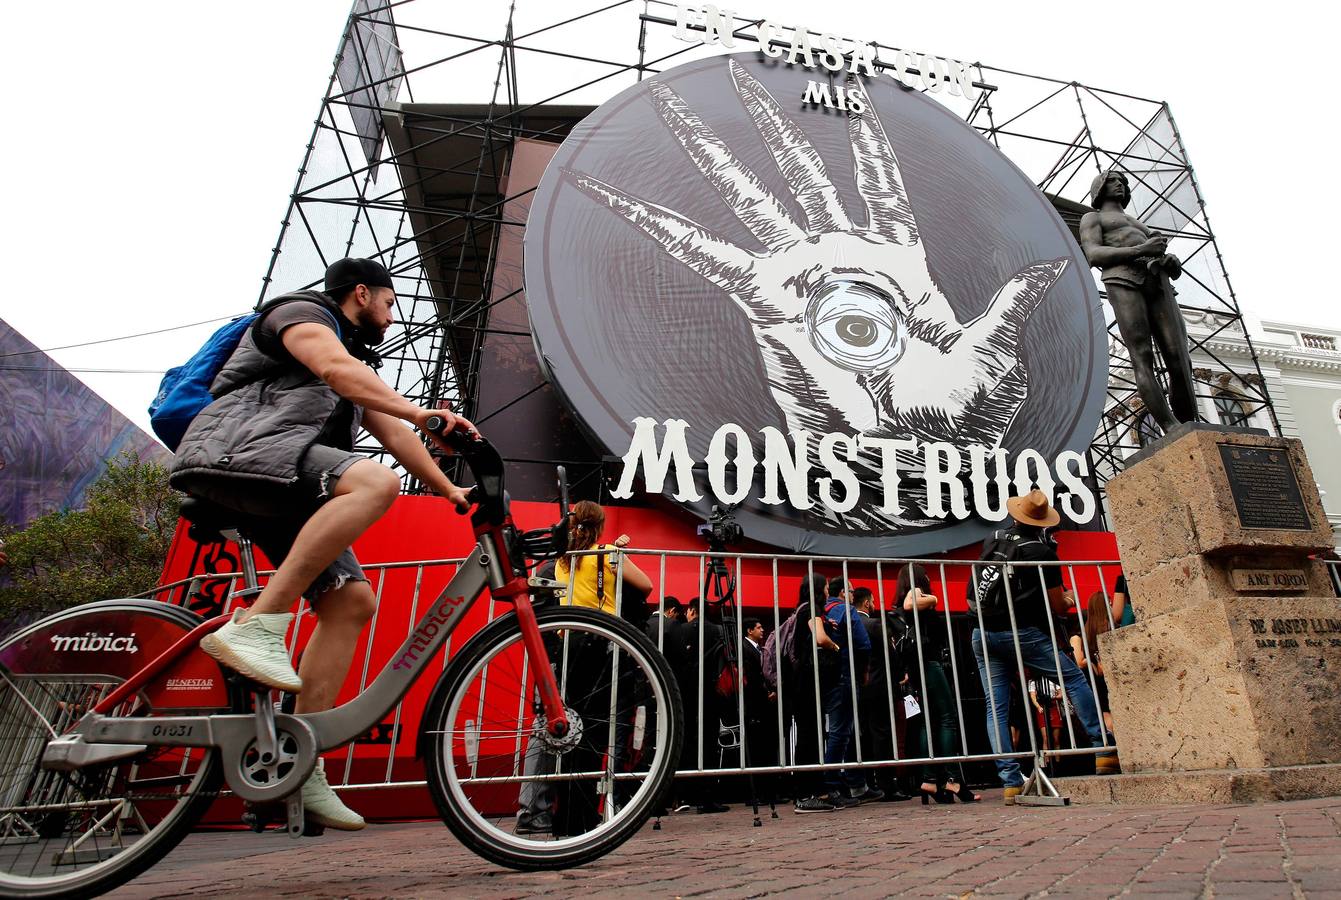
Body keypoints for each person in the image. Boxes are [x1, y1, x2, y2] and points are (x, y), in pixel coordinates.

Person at [170, 257, 475, 830]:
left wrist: (449, 491)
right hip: (237, 454)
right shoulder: (300, 315)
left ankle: (298, 764)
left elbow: (393, 431)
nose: (391, 315)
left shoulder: (356, 360)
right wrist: (419, 409)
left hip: (278, 474)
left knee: (351, 602)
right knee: (374, 481)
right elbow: (333, 368)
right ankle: (256, 626)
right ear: (361, 293)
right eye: (388, 303)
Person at [968, 489, 1116, 803]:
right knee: (1073, 678)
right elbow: (1057, 605)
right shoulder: (1042, 551)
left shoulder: (994, 538)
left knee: (996, 708)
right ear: (1043, 523)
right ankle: (1103, 748)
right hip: (1020, 630)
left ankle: (1010, 780)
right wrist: (1070, 598)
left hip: (982, 630)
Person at [551, 500, 654, 834]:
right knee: (594, 731)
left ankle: (563, 816)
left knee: (569, 730)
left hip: (568, 642)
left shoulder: (562, 561)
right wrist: (619, 553)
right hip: (598, 639)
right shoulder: (606, 554)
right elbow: (647, 584)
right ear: (598, 526)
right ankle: (583, 816)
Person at [1079, 169, 1197, 431]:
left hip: (1158, 282)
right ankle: (1169, 425)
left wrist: (1170, 261)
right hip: (1124, 281)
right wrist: (1142, 250)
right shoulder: (1093, 218)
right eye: (1112, 180)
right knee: (1142, 355)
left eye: (1123, 181)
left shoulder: (1137, 222)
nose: (1119, 184)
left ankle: (1191, 426)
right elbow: (1094, 254)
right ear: (1099, 188)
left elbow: (1157, 255)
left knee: (1179, 358)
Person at [899, 564, 979, 804]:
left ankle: (930, 779)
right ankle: (952, 779)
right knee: (947, 718)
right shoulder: (917, 593)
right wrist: (933, 597)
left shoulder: (910, 598)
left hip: (918, 666)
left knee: (927, 722)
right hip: (928, 663)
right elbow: (909, 604)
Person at [821, 577, 878, 806]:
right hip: (845, 674)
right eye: (852, 591)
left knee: (842, 731)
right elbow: (863, 644)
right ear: (843, 592)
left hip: (824, 678)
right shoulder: (846, 610)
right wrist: (863, 672)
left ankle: (853, 783)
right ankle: (832, 786)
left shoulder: (822, 610)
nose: (854, 595)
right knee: (842, 732)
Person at [787, 573, 840, 813]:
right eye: (827, 586)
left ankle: (818, 791)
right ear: (819, 588)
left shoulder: (803, 609)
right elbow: (819, 638)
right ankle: (805, 795)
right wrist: (834, 645)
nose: (829, 591)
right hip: (806, 682)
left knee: (813, 734)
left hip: (804, 681)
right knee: (809, 736)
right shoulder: (811, 609)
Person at [852, 587, 909, 802]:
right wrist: (899, 674)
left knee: (862, 735)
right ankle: (886, 785)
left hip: (858, 686)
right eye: (873, 601)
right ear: (867, 603)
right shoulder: (874, 624)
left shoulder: (850, 624)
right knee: (882, 734)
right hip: (878, 685)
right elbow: (890, 655)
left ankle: (866, 783)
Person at [682, 597, 730, 813]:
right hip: (711, 692)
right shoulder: (718, 631)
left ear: (692, 610)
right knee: (710, 744)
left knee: (688, 742)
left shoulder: (680, 630)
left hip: (686, 693)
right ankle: (708, 796)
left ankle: (687, 794)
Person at [740, 617, 779, 804]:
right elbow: (753, 679)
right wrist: (768, 694)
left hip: (760, 706)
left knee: (764, 748)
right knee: (758, 750)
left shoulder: (756, 649)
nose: (762, 630)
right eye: (758, 627)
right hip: (755, 707)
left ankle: (766, 792)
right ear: (749, 631)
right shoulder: (746, 649)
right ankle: (758, 794)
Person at [1073, 590, 1116, 736]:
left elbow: (1079, 661)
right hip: (1105, 680)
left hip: (1093, 681)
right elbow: (1080, 661)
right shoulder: (1111, 629)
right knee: (1109, 713)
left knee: (1104, 714)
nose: (1112, 608)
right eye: (1110, 604)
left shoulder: (1083, 633)